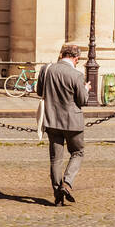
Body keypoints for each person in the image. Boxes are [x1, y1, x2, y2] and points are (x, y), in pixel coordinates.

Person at [36, 43, 89, 207]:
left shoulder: (46, 70)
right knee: (78, 152)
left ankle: (57, 194)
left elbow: (39, 92)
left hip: (52, 120)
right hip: (73, 122)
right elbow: (83, 101)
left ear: (61, 55)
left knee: (55, 159)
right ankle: (67, 183)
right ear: (76, 58)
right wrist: (85, 88)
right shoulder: (77, 75)